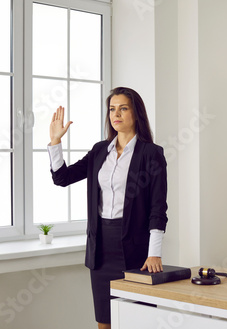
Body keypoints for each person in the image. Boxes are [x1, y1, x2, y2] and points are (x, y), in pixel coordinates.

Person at [48, 87, 168, 329]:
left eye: (123, 108)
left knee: (137, 319)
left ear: (137, 114)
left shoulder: (151, 154)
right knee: (105, 320)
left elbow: (158, 207)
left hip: (135, 246)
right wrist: (55, 141)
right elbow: (62, 178)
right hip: (101, 246)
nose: (116, 114)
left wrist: (154, 252)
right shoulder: (99, 151)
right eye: (112, 109)